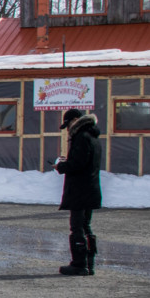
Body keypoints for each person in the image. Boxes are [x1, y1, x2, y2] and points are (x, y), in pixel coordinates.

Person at [55, 106, 103, 275]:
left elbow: (77, 164)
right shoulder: (93, 136)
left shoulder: (81, 137)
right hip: (90, 188)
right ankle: (89, 264)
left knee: (77, 227)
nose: (67, 129)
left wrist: (61, 166)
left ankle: (79, 263)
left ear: (75, 122)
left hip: (81, 190)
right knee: (85, 226)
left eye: (68, 125)